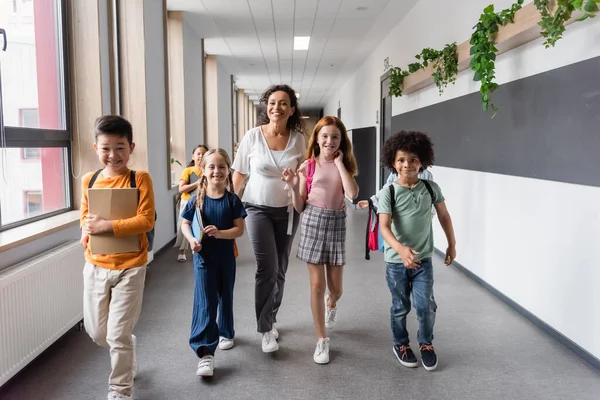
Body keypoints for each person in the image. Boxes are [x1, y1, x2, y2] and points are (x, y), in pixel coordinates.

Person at [80, 115, 156, 400]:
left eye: (120, 147)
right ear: (96, 148)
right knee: (99, 334)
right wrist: (86, 230)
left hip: (131, 266)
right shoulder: (90, 179)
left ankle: (120, 389)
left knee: (118, 335)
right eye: (106, 148)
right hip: (96, 264)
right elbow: (85, 216)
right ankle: (127, 344)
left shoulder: (140, 179)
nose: (113, 155)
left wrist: (107, 226)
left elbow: (146, 220)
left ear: (131, 147)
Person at [232, 84, 306, 353]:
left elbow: (305, 176)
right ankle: (264, 329)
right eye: (272, 102)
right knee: (267, 267)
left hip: (287, 210)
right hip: (256, 208)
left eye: (284, 103)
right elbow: (238, 175)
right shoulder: (252, 136)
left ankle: (271, 317)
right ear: (266, 107)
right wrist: (230, 208)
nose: (277, 107)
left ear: (292, 109)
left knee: (281, 269)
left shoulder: (298, 139)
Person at [377, 130, 456, 372]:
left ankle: (426, 344)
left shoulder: (431, 188)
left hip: (423, 261)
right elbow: (383, 226)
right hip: (396, 262)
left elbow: (443, 215)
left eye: (413, 159)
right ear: (393, 163)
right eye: (401, 160)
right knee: (400, 306)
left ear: (422, 161)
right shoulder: (388, 192)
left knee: (425, 305)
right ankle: (400, 344)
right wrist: (401, 250)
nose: (407, 164)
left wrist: (452, 243)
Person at [282, 116, 358, 364]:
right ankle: (321, 340)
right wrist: (294, 186)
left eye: (335, 137)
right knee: (316, 285)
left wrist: (339, 164)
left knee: (336, 289)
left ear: (341, 141)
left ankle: (331, 304)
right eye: (324, 136)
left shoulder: (343, 165)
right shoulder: (308, 166)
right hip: (313, 221)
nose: (329, 141)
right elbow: (299, 206)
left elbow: (353, 193)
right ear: (316, 138)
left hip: (336, 223)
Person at [180, 148, 246, 377]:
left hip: (226, 257)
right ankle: (205, 351)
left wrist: (220, 234)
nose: (216, 171)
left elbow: (239, 229)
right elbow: (186, 224)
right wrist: (190, 241)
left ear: (228, 170)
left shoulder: (232, 200)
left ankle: (226, 331)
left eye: (221, 166)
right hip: (203, 259)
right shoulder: (197, 199)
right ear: (203, 171)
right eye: (211, 167)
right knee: (205, 302)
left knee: (225, 296)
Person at [174, 144, 209, 262]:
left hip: (203, 202)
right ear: (193, 156)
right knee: (183, 226)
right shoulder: (188, 171)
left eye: (203, 154)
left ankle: (197, 248)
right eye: (198, 153)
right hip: (187, 202)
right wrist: (197, 183)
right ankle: (182, 251)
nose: (200, 156)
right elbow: (181, 189)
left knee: (200, 226)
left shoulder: (208, 170)